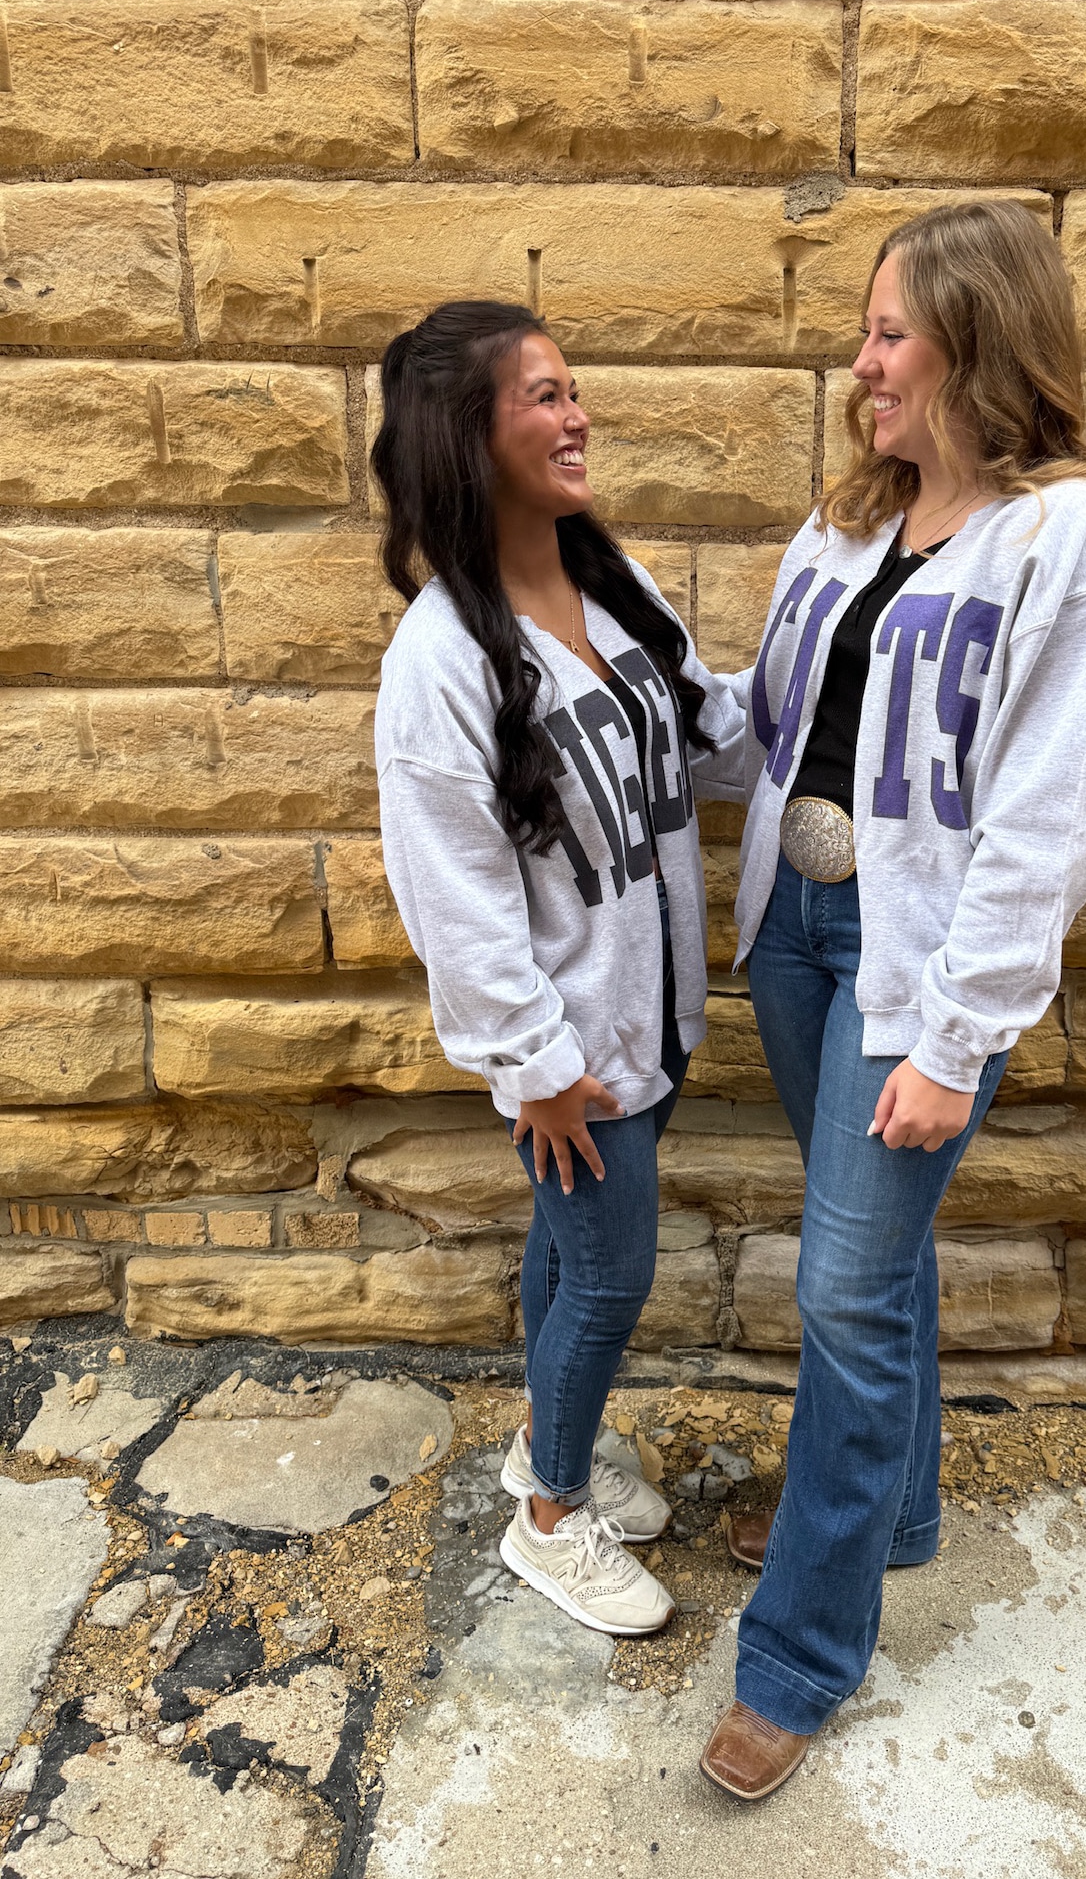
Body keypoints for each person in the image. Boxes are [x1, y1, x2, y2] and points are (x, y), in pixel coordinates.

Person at [700, 201, 1086, 1798]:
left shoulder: (1061, 540)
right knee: (869, 1268)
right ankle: (887, 1513)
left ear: (975, 336)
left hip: (915, 969)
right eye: (865, 333)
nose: (860, 364)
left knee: (839, 1283)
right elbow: (753, 730)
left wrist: (957, 1037)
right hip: (799, 933)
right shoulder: (836, 530)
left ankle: (798, 1652)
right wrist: (588, 661)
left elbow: (1043, 819)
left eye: (887, 331)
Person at [371, 301, 744, 1638]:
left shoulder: (607, 586)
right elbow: (454, 897)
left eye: (571, 388)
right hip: (572, 1048)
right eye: (541, 395)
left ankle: (546, 1452)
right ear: (466, 436)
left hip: (651, 1019)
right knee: (606, 1273)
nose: (575, 413)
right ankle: (548, 1517)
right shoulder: (442, 662)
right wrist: (531, 1064)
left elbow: (707, 746)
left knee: (564, 1251)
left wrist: (825, 695)